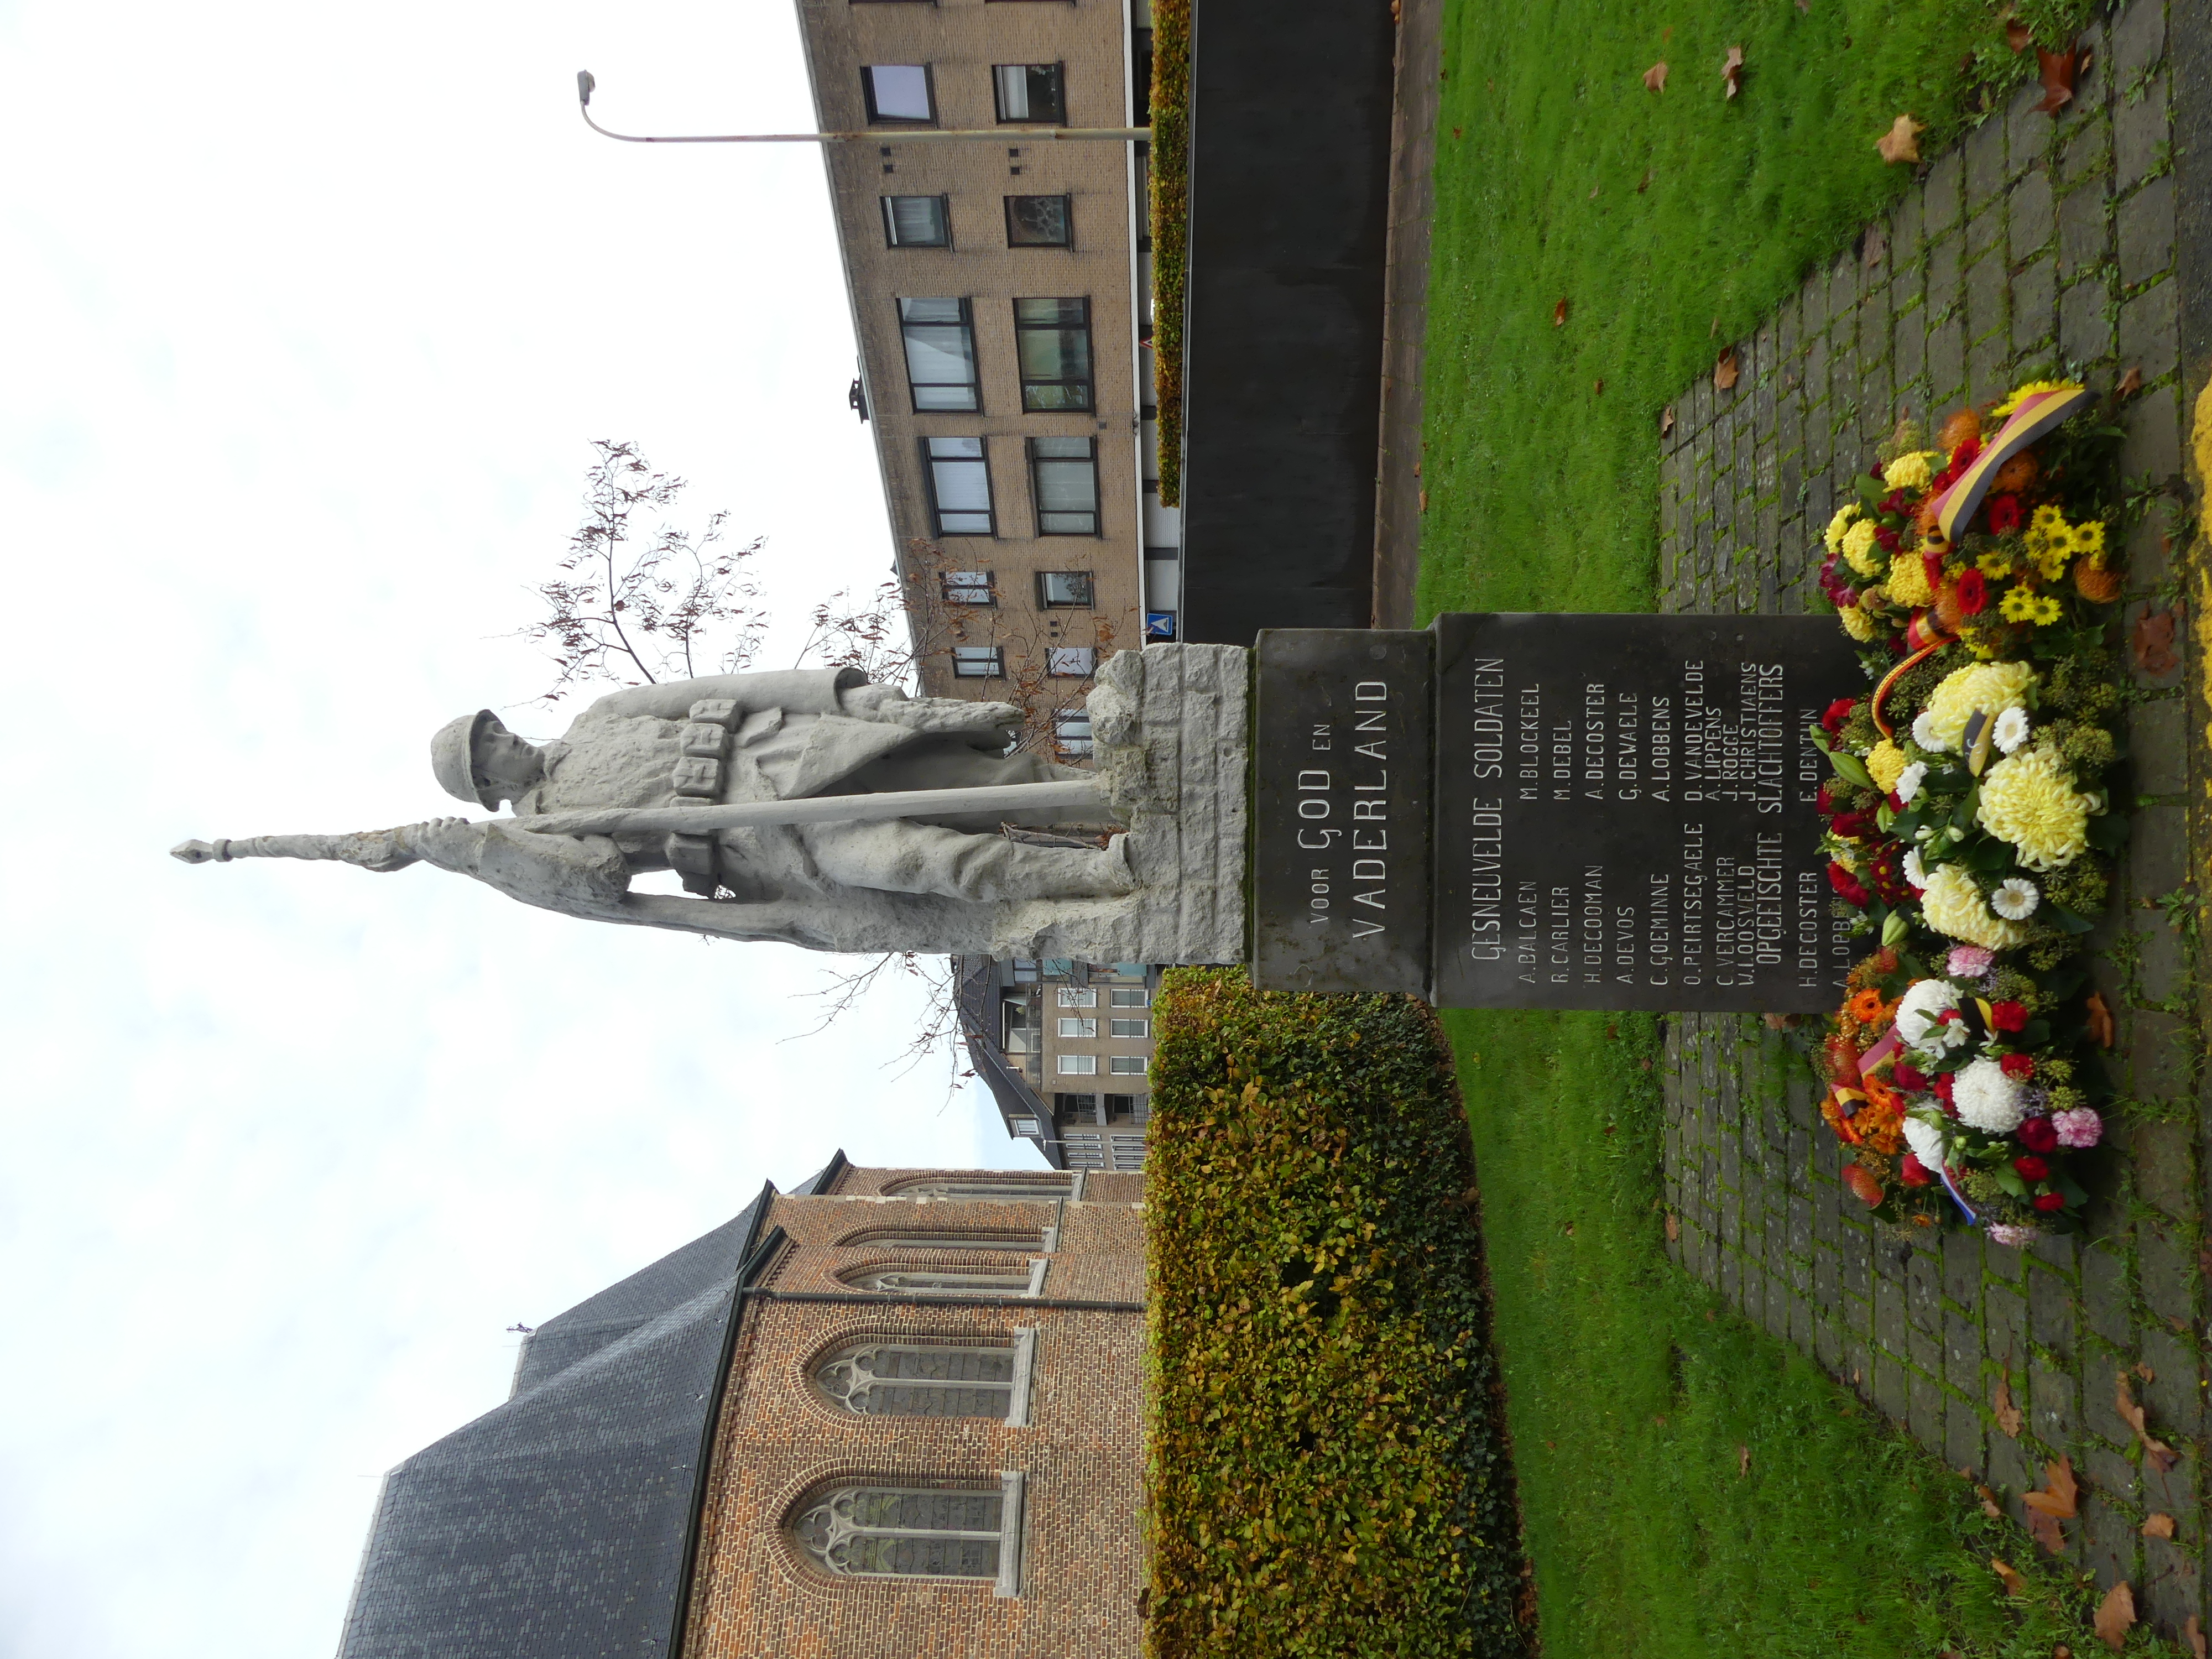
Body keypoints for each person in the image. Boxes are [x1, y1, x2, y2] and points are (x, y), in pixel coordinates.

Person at [179, 668, 1133, 956]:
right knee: (933, 868)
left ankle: (1123, 799)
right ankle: (1096, 878)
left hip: (788, 755)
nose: (504, 737)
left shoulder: (597, 718)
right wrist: (478, 856)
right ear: (485, 783)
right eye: (486, 747)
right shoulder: (529, 834)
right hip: (776, 850)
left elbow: (721, 687)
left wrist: (849, 699)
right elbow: (602, 891)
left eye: (493, 726)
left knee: (982, 788)